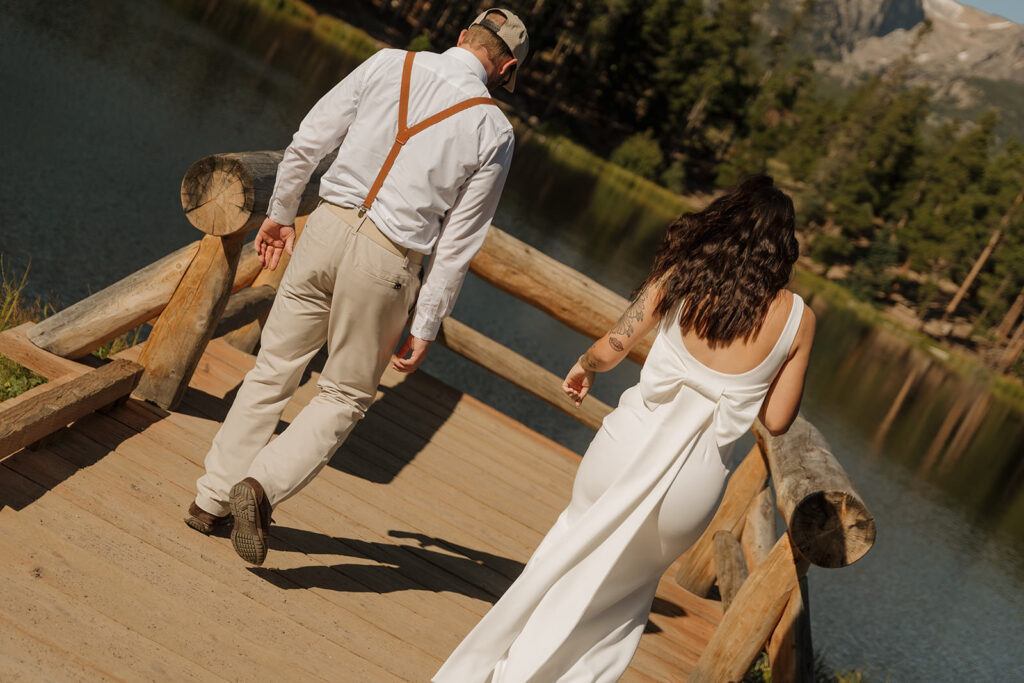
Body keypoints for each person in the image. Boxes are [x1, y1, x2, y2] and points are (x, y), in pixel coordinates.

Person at [434, 175, 816, 682]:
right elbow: (777, 419)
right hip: (691, 486)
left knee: (563, 558)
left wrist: (586, 365)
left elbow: (615, 344)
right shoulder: (797, 319)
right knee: (624, 602)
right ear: (783, 247)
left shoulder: (684, 272)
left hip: (624, 449)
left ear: (724, 221)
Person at [183, 9, 530, 566]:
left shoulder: (389, 62)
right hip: (388, 259)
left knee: (273, 368)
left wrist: (280, 212)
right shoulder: (495, 130)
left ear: (461, 36)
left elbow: (307, 142)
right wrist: (426, 323)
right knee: (343, 395)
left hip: (326, 227)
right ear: (505, 67)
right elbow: (458, 244)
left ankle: (210, 499)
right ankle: (261, 487)